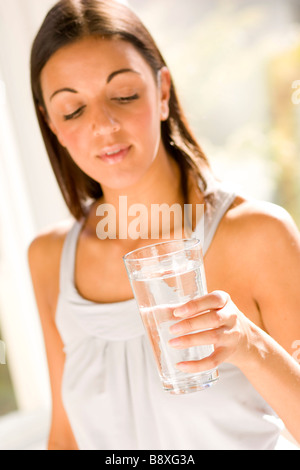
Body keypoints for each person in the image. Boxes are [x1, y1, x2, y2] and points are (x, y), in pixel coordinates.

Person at [28, 0, 300, 450]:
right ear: (52, 123)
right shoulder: (49, 259)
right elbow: (66, 436)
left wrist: (249, 345)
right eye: (73, 109)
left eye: (124, 94)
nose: (103, 125)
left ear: (163, 91)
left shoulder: (258, 236)